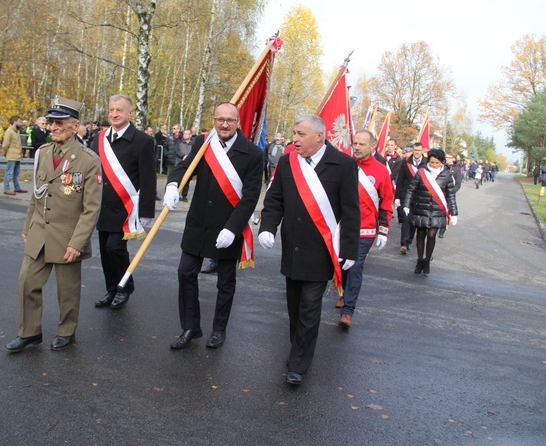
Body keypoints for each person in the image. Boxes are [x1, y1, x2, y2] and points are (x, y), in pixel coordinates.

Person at [258, 114, 359, 385]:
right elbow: (275, 198)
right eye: (294, 133)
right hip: (293, 247)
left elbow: (350, 211)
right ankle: (297, 350)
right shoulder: (287, 161)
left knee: (309, 308)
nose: (294, 139)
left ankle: (299, 364)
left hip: (321, 250)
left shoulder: (344, 165)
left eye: (300, 134)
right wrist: (268, 226)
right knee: (294, 307)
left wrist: (349, 250)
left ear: (319, 136)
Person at [5, 96, 102, 353]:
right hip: (40, 231)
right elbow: (36, 196)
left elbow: (91, 208)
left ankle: (66, 331)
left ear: (75, 126)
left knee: (67, 291)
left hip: (68, 236)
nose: (54, 127)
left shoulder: (88, 159)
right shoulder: (42, 153)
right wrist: (28, 227)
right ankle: (29, 332)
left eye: (60, 122)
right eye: (51, 122)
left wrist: (77, 242)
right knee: (27, 282)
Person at [163, 102, 263, 350]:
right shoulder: (202, 144)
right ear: (214, 120)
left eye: (230, 120)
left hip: (228, 227)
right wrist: (172, 185)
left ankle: (219, 329)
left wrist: (233, 228)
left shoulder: (252, 153)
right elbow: (184, 167)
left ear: (237, 122)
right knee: (185, 272)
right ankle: (191, 327)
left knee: (225, 282)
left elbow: (250, 197)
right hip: (199, 223)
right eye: (220, 119)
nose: (225, 124)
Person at [92, 94, 156, 310]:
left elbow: (148, 178)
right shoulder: (99, 139)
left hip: (126, 208)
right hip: (102, 205)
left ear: (129, 113)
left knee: (115, 248)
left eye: (119, 110)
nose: (114, 114)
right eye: (111, 109)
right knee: (104, 250)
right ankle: (111, 288)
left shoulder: (143, 141)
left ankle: (124, 287)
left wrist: (146, 211)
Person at [335, 130, 392, 328]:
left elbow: (386, 201)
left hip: (365, 229)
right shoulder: (343, 164)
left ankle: (348, 310)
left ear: (372, 147)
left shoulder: (381, 171)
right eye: (355, 143)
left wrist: (384, 229)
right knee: (341, 265)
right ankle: (343, 292)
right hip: (341, 227)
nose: (357, 147)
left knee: (356, 267)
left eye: (361, 144)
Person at [402, 149, 458, 275]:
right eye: (432, 162)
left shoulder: (447, 175)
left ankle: (427, 260)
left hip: (437, 211)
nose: (434, 165)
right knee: (420, 235)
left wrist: (454, 213)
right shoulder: (422, 172)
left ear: (442, 162)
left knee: (432, 236)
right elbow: (411, 189)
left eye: (437, 163)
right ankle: (420, 260)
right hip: (421, 208)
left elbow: (451, 195)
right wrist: (406, 204)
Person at [395, 142, 426, 254]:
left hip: (419, 197)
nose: (417, 152)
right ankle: (403, 243)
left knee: (413, 221)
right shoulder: (406, 162)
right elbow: (400, 179)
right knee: (406, 219)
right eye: (415, 150)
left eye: (419, 150)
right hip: (406, 195)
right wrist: (397, 196)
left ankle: (409, 241)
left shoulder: (426, 163)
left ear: (422, 151)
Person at [2, 116, 27, 196]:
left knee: (16, 173)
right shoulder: (9, 131)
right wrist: (5, 153)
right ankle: (6, 188)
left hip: (17, 155)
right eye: (19, 121)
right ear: (15, 122)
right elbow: (5, 145)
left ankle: (17, 187)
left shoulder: (17, 131)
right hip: (12, 155)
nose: (20, 123)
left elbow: (18, 144)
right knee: (9, 173)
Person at [438, 152, 462, 238]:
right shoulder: (441, 166)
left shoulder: (456, 169)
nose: (447, 159)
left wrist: (452, 191)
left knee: (446, 212)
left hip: (449, 194)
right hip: (439, 193)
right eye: (446, 157)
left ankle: (442, 230)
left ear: (453, 159)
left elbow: (458, 184)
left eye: (449, 157)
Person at [175, 129, 193, 201]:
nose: (185, 135)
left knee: (187, 180)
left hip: (188, 164)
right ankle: (177, 194)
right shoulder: (179, 142)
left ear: (190, 135)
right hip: (179, 163)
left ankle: (184, 196)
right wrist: (183, 156)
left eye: (187, 134)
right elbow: (176, 151)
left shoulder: (193, 144)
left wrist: (188, 157)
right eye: (184, 133)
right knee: (178, 180)